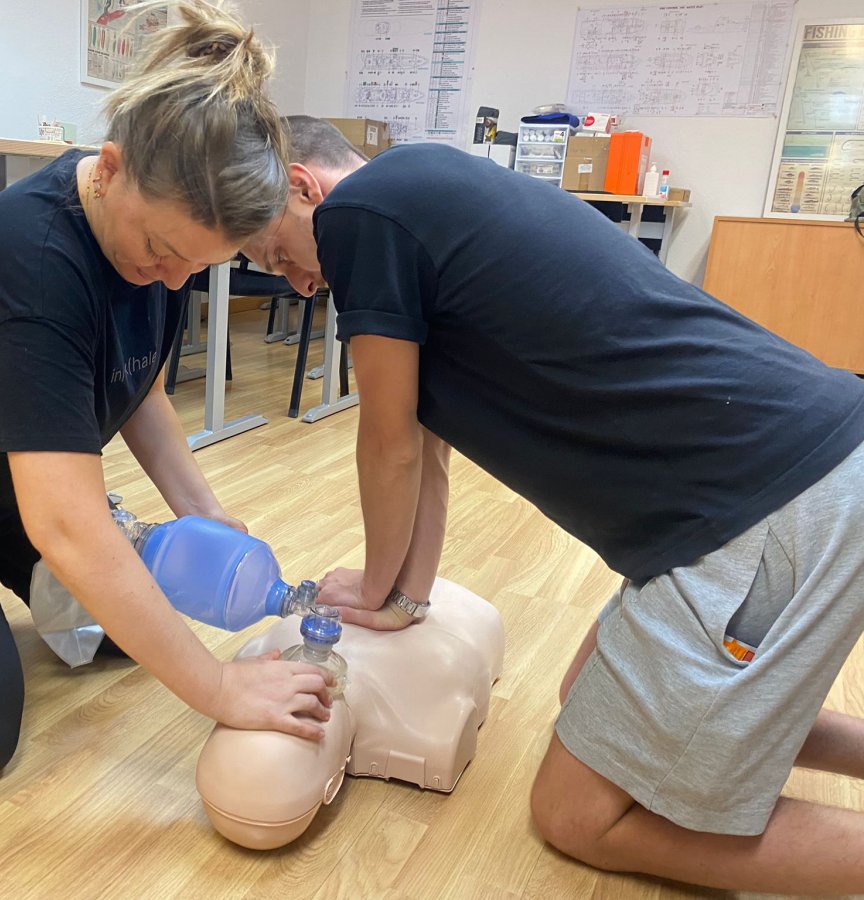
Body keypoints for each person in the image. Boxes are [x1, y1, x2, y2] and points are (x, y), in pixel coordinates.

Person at [241, 115, 864, 893]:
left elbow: (387, 443)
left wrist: (370, 587)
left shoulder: (358, 217)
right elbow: (425, 453)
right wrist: (404, 595)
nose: (299, 283)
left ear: (305, 188)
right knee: (587, 695)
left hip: (765, 504)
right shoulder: (424, 190)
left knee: (575, 815)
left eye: (277, 256)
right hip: (793, 466)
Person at [0, 3, 335, 788]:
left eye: (198, 266)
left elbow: (138, 385)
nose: (173, 279)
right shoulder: (36, 255)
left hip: (8, 480)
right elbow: (64, 521)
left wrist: (203, 510)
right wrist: (218, 688)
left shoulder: (155, 244)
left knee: (125, 631)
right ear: (111, 166)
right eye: (161, 250)